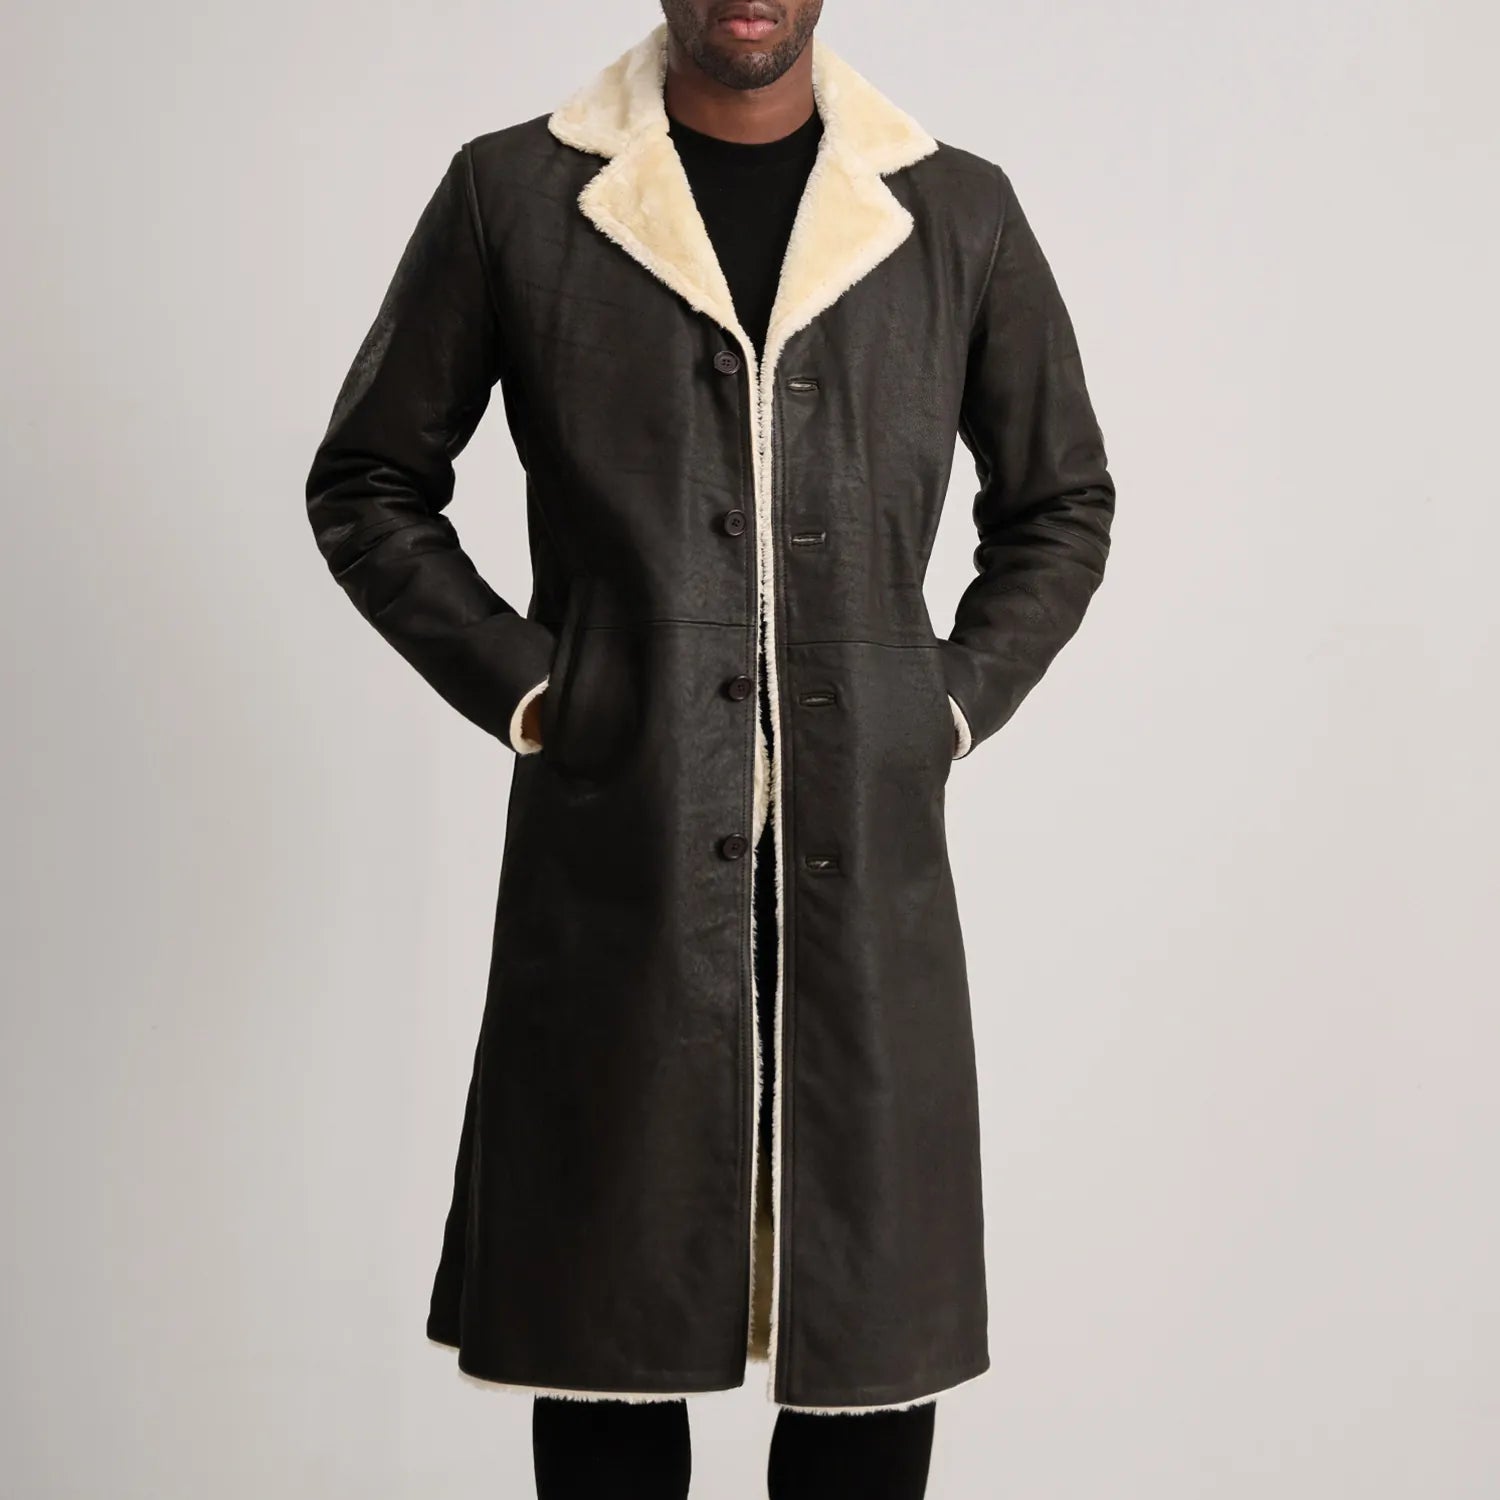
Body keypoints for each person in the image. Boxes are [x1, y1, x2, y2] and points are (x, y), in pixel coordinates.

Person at [305, 1, 1114, 1493]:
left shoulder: (954, 209)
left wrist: (943, 702)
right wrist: (535, 691)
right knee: (606, 1363)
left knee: (866, 1367)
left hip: (865, 878)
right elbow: (368, 482)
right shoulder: (515, 193)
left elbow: (1061, 501)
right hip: (620, 859)